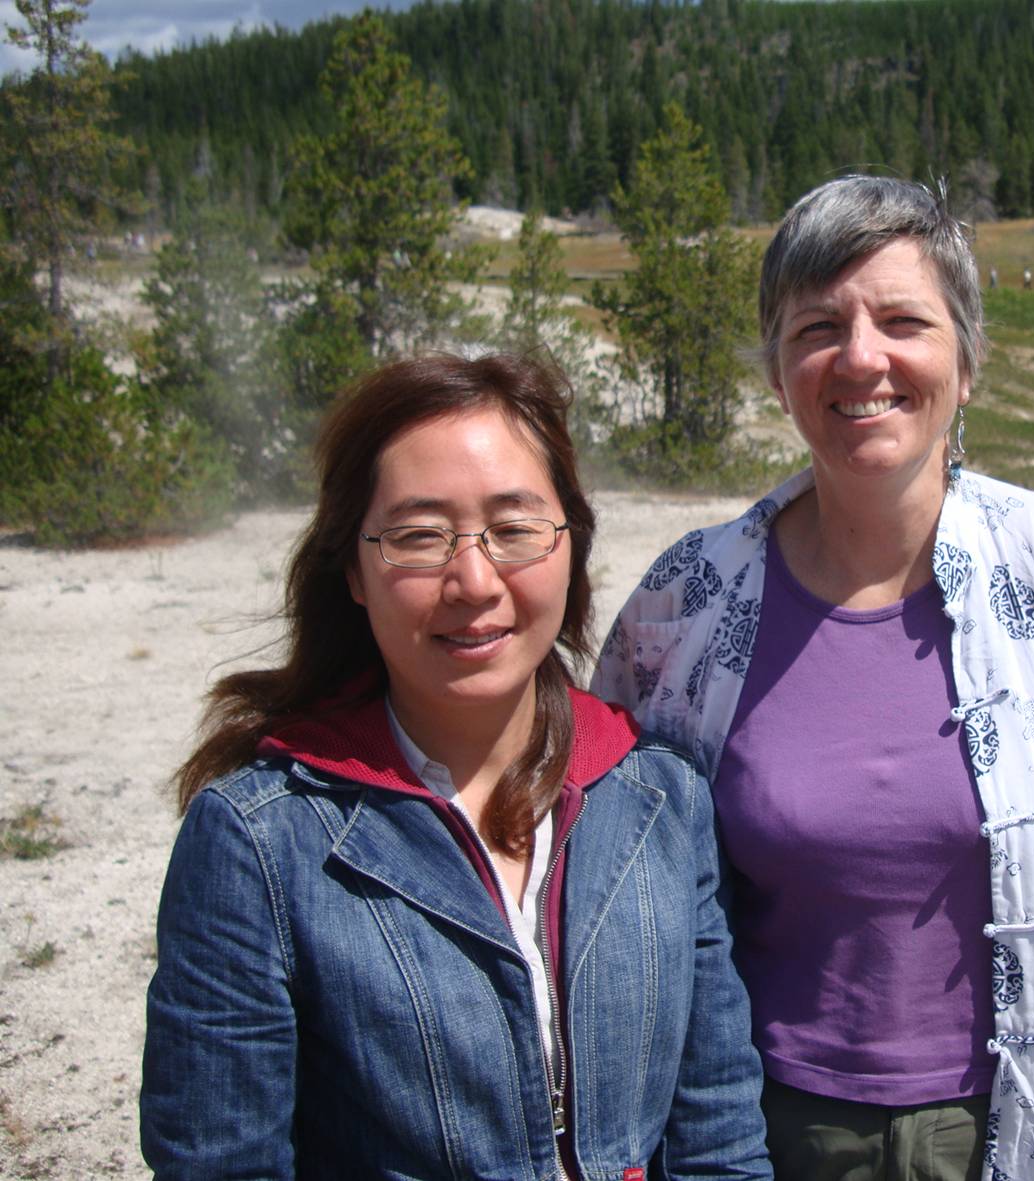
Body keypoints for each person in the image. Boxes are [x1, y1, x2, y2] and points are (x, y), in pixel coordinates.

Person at [594, 176, 1034, 1180]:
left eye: (902, 320)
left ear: (965, 361)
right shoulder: (683, 606)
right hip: (759, 1138)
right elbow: (618, 884)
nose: (860, 357)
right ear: (775, 370)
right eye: (816, 327)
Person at [141, 352, 771, 1180]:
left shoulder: (659, 798)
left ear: (570, 545)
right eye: (418, 536)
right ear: (354, 571)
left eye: (513, 528)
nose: (473, 579)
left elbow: (717, 1134)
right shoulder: (260, 843)